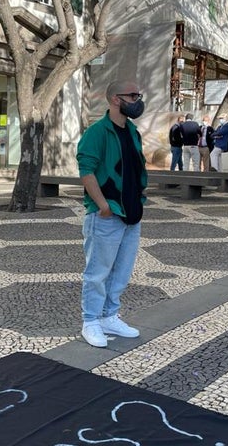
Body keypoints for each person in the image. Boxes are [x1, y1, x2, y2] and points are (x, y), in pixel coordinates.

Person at [76, 80, 147, 347]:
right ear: (116, 99)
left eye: (138, 95)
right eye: (133, 95)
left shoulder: (132, 131)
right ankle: (91, 320)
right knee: (98, 272)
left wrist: (140, 198)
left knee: (122, 271)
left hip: (131, 213)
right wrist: (103, 205)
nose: (138, 100)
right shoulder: (98, 132)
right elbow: (86, 170)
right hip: (107, 214)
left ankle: (109, 316)